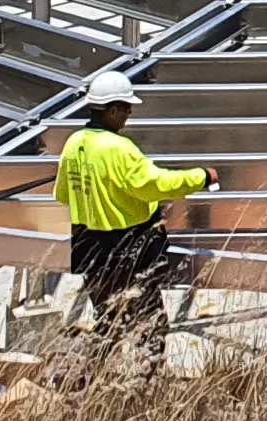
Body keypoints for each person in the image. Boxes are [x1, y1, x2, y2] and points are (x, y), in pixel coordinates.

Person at [51, 64, 213, 346]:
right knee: (150, 328)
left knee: (110, 321)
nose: (129, 114)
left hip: (88, 248)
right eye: (126, 108)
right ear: (112, 110)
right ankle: (147, 372)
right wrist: (202, 177)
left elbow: (63, 194)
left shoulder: (74, 143)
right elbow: (155, 184)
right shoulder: (119, 148)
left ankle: (100, 371)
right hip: (127, 249)